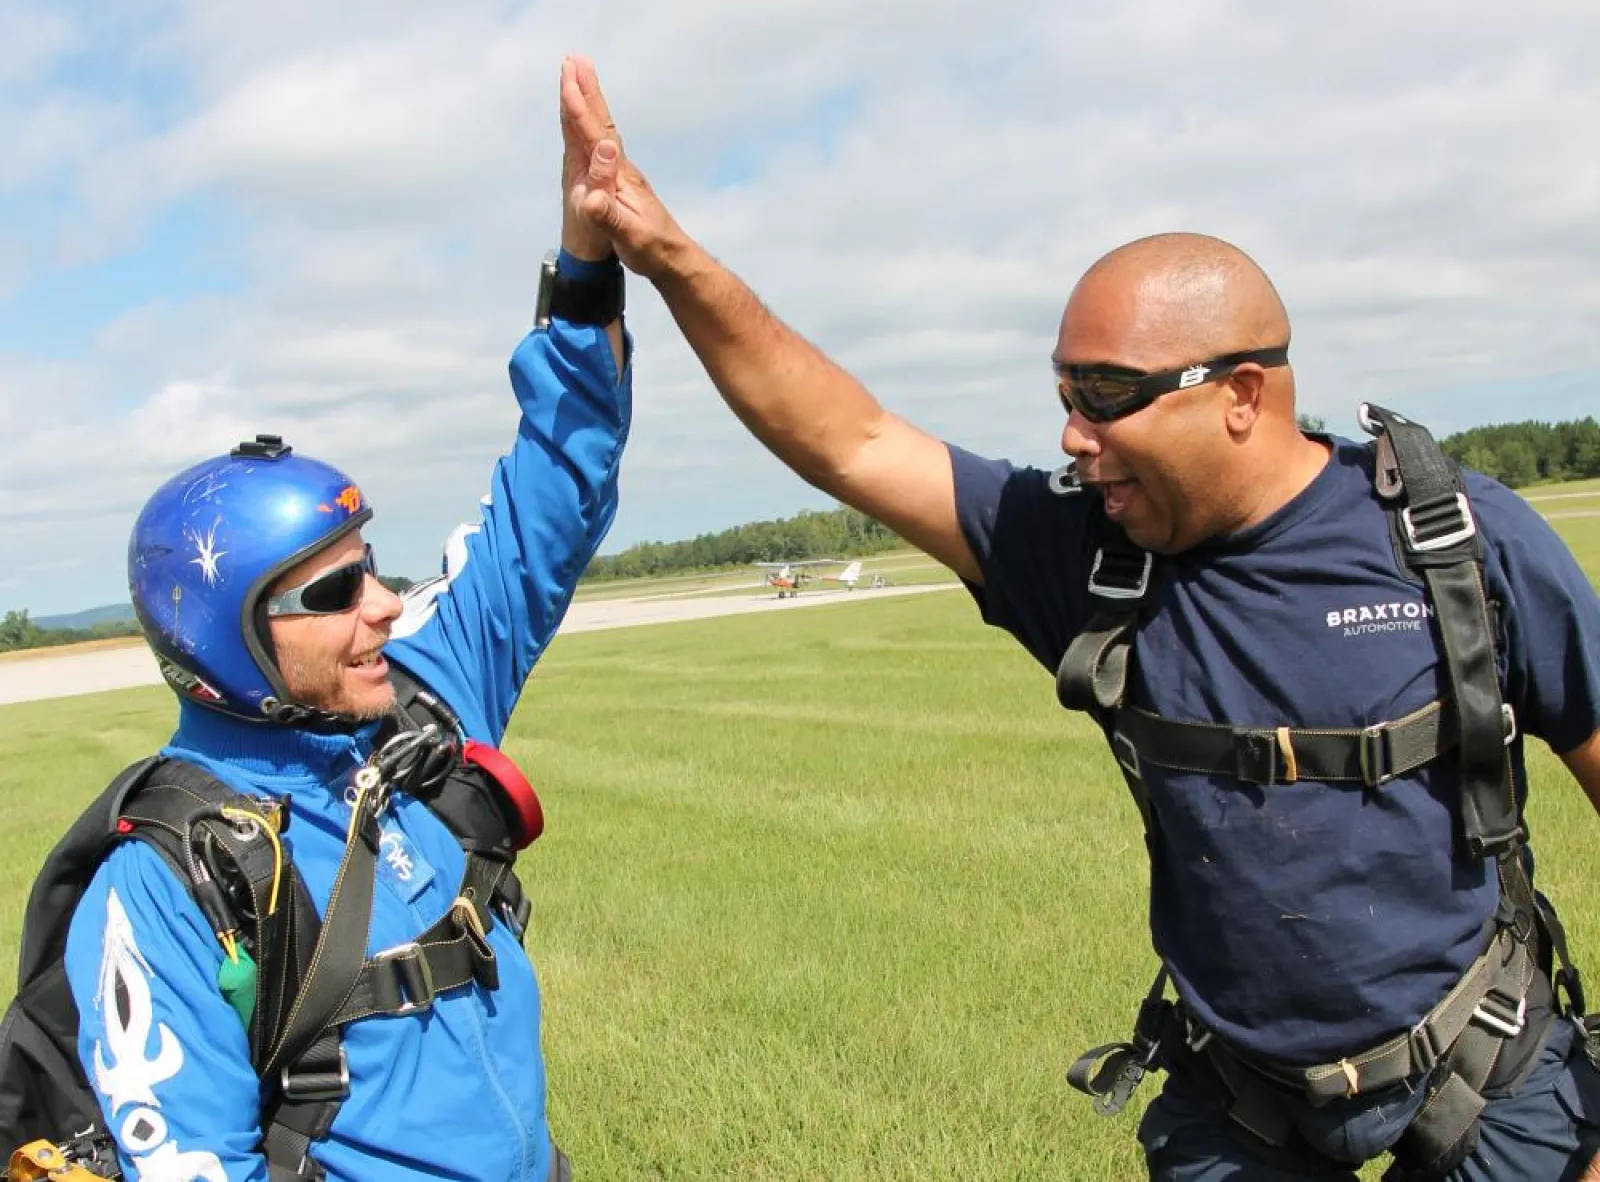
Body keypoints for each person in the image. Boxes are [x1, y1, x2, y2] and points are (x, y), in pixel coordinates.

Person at [556, 57, 1600, 1180]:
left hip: (1484, 1070)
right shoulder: (1089, 553)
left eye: (1106, 395)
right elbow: (850, 439)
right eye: (1064, 395)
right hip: (1240, 1103)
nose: (1072, 436)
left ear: (1242, 393)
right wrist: (664, 255)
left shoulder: (1452, 545)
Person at [57, 76, 631, 1182]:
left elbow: (554, 491)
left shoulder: (417, 698)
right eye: (328, 593)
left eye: (369, 569)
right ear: (226, 639)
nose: (379, 604)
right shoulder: (169, 884)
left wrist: (585, 267)